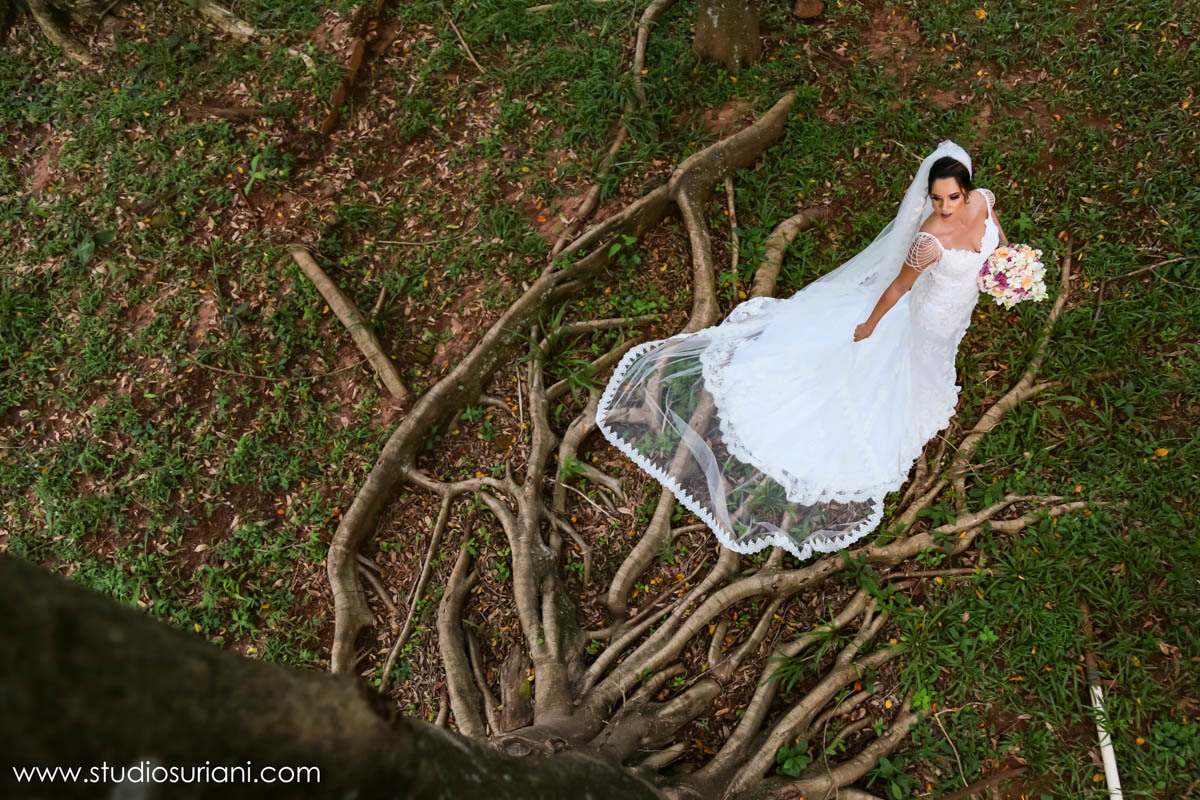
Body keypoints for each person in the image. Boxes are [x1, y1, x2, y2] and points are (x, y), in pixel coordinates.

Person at [595, 141, 1009, 560]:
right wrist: (869, 325)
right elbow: (901, 287)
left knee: (938, 352)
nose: (943, 207)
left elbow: (999, 240)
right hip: (930, 314)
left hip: (958, 310)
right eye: (936, 198)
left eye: (953, 197)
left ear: (969, 191)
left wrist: (1009, 266)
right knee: (907, 357)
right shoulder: (929, 240)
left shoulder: (985, 203)